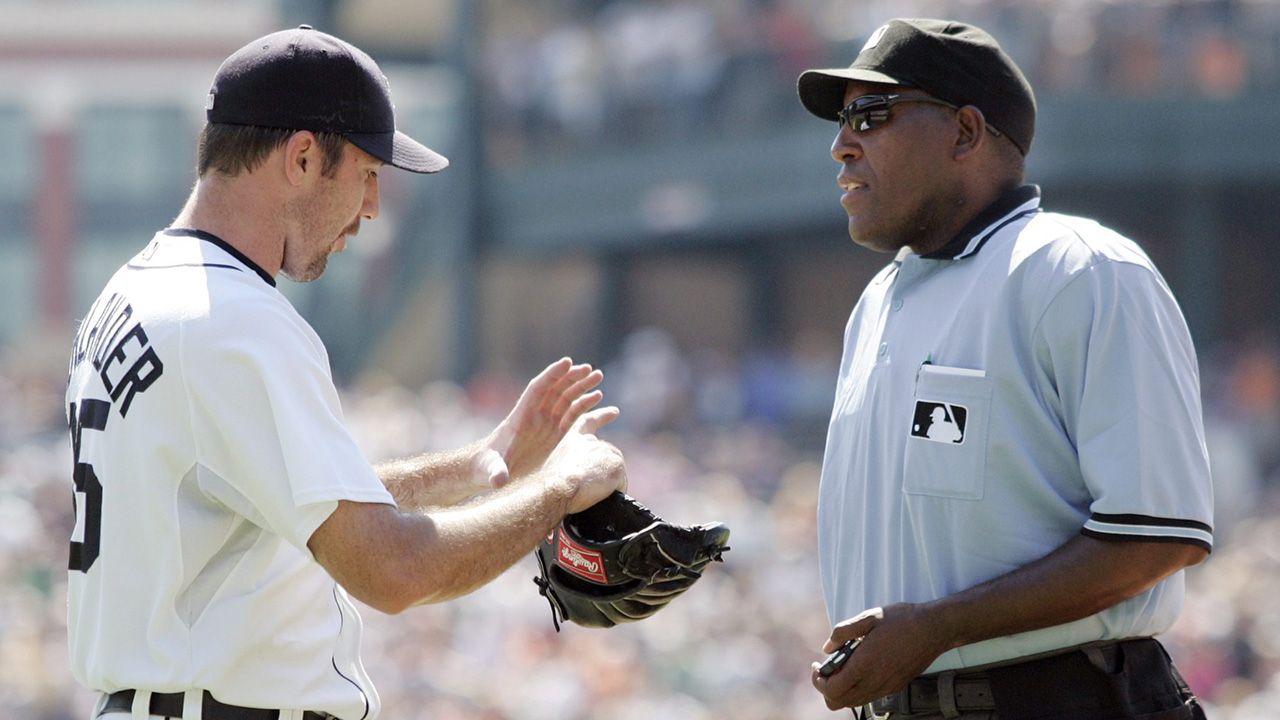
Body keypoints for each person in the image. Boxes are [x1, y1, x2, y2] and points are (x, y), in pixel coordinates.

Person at [65, 26, 627, 720]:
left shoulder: (135, 294)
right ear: (302, 156)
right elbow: (394, 571)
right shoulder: (237, 320)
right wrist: (560, 491)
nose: (371, 209)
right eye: (366, 173)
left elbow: (279, 510)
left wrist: (476, 465)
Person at [796, 19, 1213, 719]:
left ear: (964, 132)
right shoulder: (878, 300)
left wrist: (939, 628)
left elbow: (1159, 534)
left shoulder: (1080, 267)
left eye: (871, 115)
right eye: (842, 122)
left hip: (1066, 698)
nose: (841, 145)